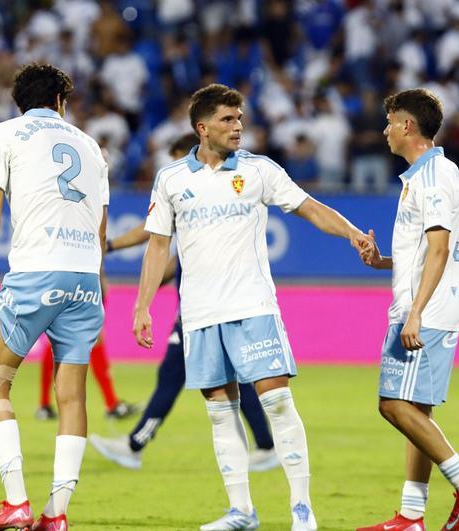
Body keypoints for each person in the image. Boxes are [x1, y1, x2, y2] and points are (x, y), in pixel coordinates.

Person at [131, 84, 373, 531]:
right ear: (202, 127)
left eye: (239, 118)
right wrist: (142, 306)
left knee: (277, 402)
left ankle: (302, 510)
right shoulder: (171, 179)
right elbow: (157, 246)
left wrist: (353, 233)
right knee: (220, 411)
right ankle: (241, 511)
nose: (238, 126)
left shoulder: (259, 170)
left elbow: (310, 208)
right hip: (200, 314)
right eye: (227, 119)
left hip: (252, 306)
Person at [0, 63, 109, 531]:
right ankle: (57, 513)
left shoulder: (5, 134)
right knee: (71, 397)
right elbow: (100, 231)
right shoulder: (91, 147)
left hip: (36, 272)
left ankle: (17, 503)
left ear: (20, 103)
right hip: (85, 277)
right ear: (60, 102)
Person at [89, 134, 280, 472]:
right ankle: (265, 445)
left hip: (204, 307)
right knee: (224, 375)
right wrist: (152, 286)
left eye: (178, 156)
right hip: (205, 306)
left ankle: (135, 445)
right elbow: (174, 259)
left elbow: (151, 231)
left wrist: (112, 245)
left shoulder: (194, 187)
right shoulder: (200, 194)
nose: (176, 165)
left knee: (181, 375)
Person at [356, 89, 459, 531]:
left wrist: (415, 312)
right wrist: (383, 262)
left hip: (425, 313)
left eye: (390, 122)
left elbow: (439, 249)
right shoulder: (430, 173)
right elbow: (424, 251)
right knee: (416, 411)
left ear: (407, 126)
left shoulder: (433, 176)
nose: (385, 130)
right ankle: (412, 516)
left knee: (393, 406)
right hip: (429, 307)